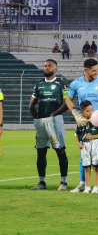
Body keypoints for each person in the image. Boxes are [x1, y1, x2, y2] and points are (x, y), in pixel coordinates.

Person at [66, 59, 98, 193]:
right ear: (86, 70)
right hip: (84, 122)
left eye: (97, 70)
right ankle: (83, 183)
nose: (96, 72)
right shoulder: (76, 83)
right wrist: (74, 112)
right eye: (93, 70)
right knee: (84, 152)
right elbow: (68, 98)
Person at [29, 59, 70, 191]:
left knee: (60, 150)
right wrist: (36, 118)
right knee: (40, 152)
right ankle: (42, 182)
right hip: (41, 122)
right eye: (45, 66)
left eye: (49, 66)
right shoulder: (39, 84)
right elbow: (32, 104)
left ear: (55, 69)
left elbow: (67, 104)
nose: (46, 68)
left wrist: (54, 114)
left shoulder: (61, 84)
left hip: (55, 121)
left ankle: (64, 182)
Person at [75, 100, 98, 194]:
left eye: (92, 110)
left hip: (96, 144)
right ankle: (87, 187)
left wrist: (92, 136)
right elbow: (77, 134)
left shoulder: (97, 120)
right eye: (88, 111)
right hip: (85, 145)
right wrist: (79, 144)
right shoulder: (81, 122)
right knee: (87, 167)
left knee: (96, 167)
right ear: (82, 112)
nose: (91, 112)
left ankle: (96, 187)